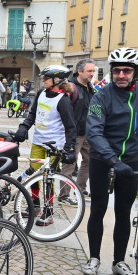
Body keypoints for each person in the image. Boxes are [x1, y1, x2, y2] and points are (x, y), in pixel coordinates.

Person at [82, 48, 138, 275]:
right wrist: (112, 161)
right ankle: (94, 258)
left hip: (129, 160)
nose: (121, 75)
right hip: (102, 160)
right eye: (117, 70)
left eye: (126, 70)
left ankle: (118, 261)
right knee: (98, 208)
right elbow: (94, 132)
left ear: (135, 72)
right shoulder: (101, 96)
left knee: (123, 211)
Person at [12, 65, 77, 226]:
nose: (43, 80)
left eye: (46, 78)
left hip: (55, 145)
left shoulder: (63, 101)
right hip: (39, 141)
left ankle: (48, 212)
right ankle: (35, 206)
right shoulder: (41, 93)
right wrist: (24, 127)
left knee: (48, 178)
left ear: (57, 80)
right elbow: (33, 113)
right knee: (33, 174)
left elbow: (71, 127)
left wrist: (69, 149)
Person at [59, 59, 96, 202]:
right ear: (80, 71)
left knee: (89, 160)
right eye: (89, 71)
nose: (92, 74)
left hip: (87, 132)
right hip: (73, 133)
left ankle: (80, 189)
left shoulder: (90, 87)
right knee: (69, 163)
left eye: (93, 71)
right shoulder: (71, 87)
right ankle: (64, 195)